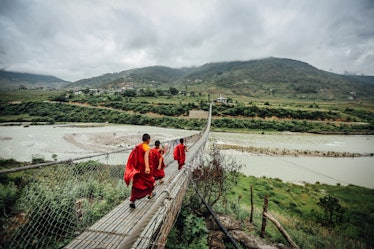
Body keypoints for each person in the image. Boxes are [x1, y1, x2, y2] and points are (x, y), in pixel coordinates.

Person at [125, 133, 156, 209]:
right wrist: (147, 167)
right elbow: (146, 157)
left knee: (136, 185)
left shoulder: (138, 147)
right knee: (150, 182)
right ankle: (150, 194)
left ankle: (133, 201)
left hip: (138, 170)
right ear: (148, 140)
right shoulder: (146, 147)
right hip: (145, 171)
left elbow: (133, 157)